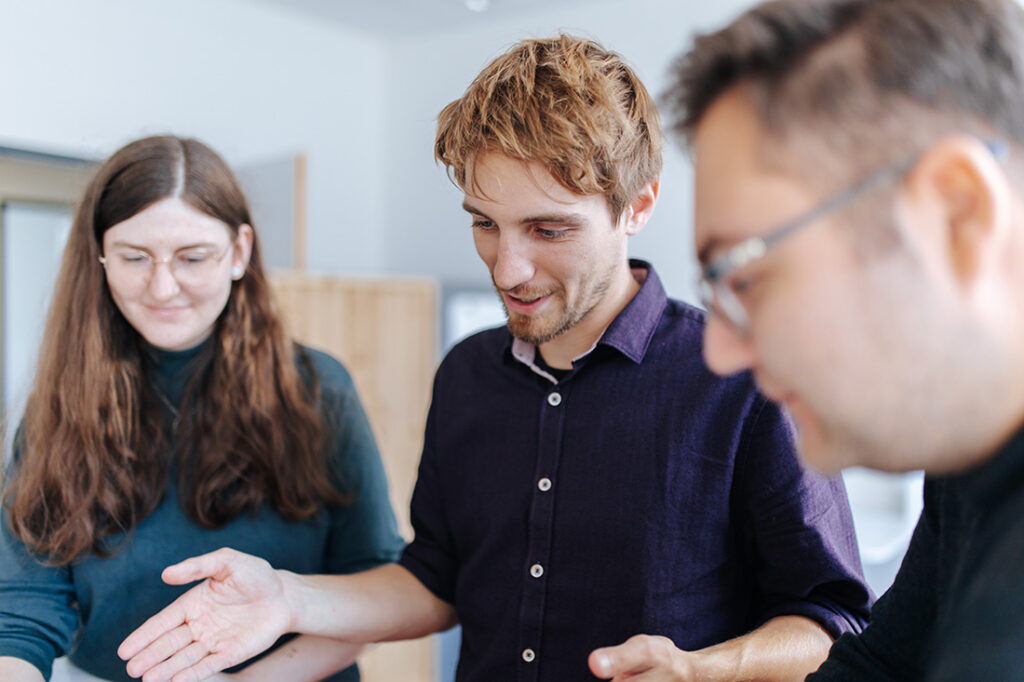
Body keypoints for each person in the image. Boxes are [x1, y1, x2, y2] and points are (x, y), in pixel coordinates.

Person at [117, 36, 872, 682]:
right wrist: (287, 596)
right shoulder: (469, 374)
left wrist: (708, 669)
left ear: (637, 206)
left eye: (548, 230)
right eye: (485, 224)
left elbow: (831, 621)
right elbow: (436, 579)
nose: (507, 268)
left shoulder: (740, 377)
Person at [587, 0, 1024, 680]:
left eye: (746, 277)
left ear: (957, 217)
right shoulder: (968, 463)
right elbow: (878, 665)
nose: (719, 351)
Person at [0, 135, 404, 682]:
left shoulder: (317, 389)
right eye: (134, 257)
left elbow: (377, 587)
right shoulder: (58, 409)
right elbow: (24, 612)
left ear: (239, 252)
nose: (163, 287)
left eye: (192, 257)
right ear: (98, 255)